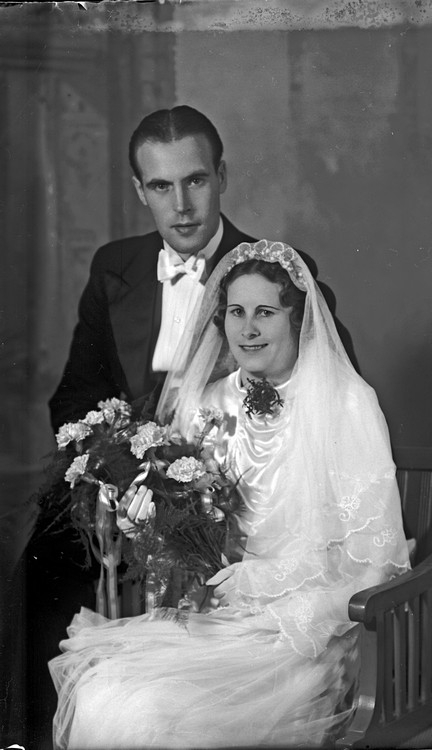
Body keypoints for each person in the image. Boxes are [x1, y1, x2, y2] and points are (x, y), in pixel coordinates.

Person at [49, 240, 410, 749]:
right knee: (103, 692)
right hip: (217, 616)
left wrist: (261, 582)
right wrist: (143, 520)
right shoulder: (208, 403)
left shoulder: (346, 403)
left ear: (298, 318)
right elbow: (182, 522)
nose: (248, 329)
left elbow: (374, 561)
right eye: (236, 312)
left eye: (265, 312)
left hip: (306, 629)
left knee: (155, 717)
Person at [48, 105, 256, 433]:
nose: (181, 205)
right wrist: (113, 461)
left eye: (195, 181)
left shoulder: (278, 269)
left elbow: (322, 401)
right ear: (140, 191)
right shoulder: (114, 266)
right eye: (161, 186)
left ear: (221, 177)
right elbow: (75, 400)